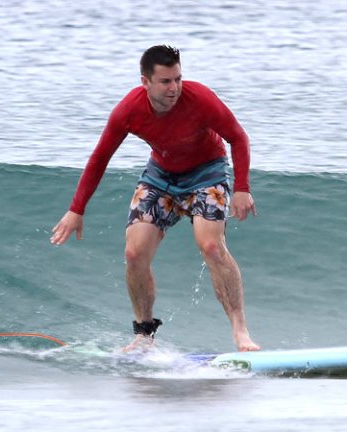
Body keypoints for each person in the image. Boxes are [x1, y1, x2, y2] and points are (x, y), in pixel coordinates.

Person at [50, 45, 260, 352]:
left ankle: (240, 331)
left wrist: (242, 187)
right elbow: (100, 158)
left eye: (177, 78)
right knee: (135, 254)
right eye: (165, 81)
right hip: (160, 176)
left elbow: (238, 137)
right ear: (145, 82)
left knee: (212, 246)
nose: (174, 88)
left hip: (207, 174)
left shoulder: (199, 98)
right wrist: (75, 210)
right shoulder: (129, 110)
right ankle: (144, 334)